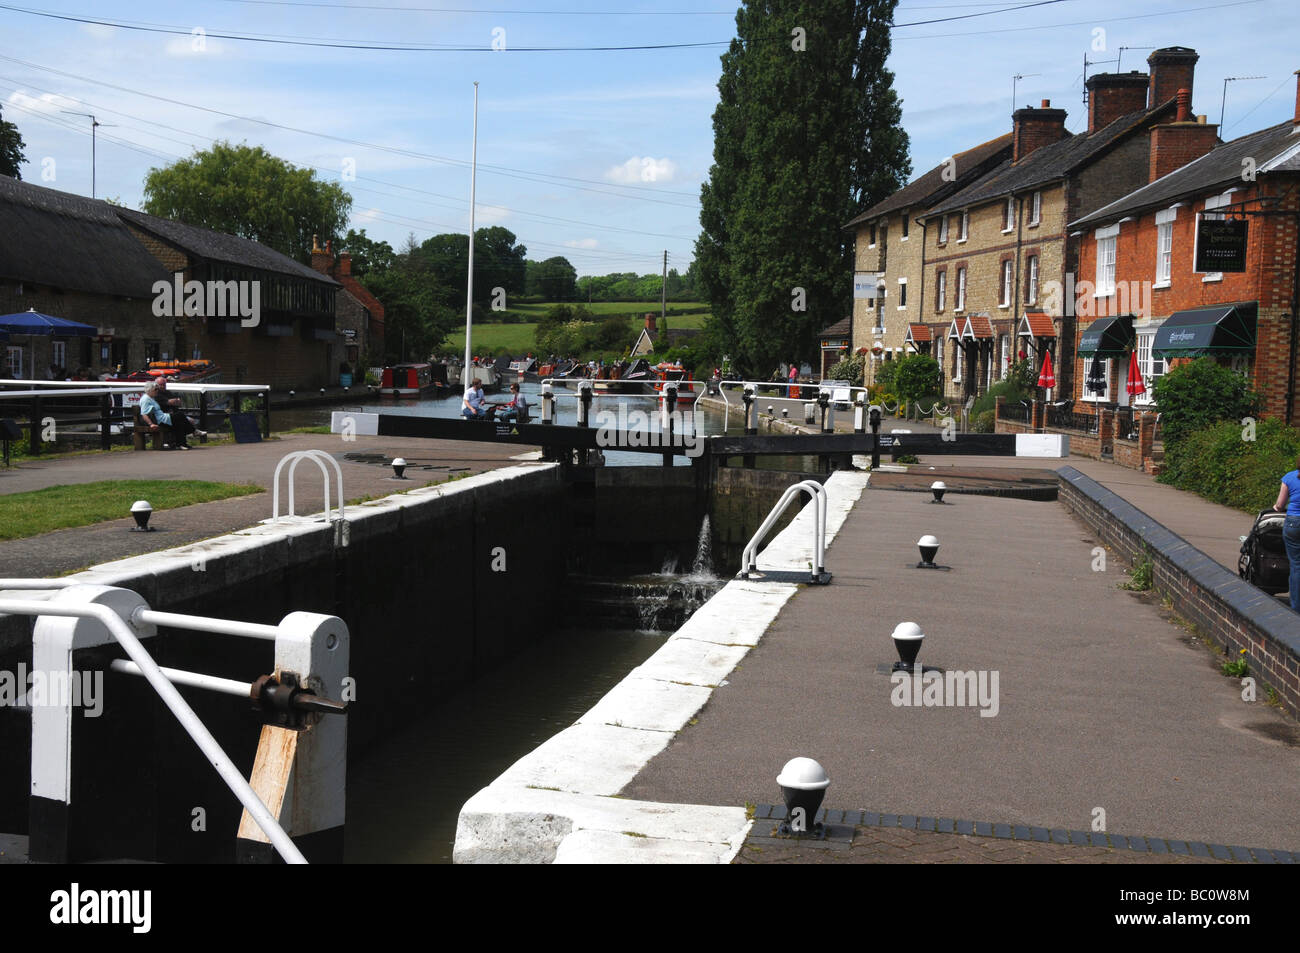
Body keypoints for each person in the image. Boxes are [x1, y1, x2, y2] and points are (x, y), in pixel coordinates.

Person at [139, 381, 205, 450]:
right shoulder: (146, 399)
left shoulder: (151, 398)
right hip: (159, 420)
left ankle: (181, 444)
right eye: (155, 389)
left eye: (157, 389)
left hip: (161, 417)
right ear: (149, 390)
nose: (157, 391)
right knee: (180, 415)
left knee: (179, 423)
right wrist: (151, 424)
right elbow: (144, 414)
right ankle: (193, 431)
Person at [1274, 460, 1300, 611]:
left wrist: (1276, 507)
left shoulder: (1289, 478)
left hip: (1294, 523)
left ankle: (1296, 607)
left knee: (1297, 565)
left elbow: (1280, 505)